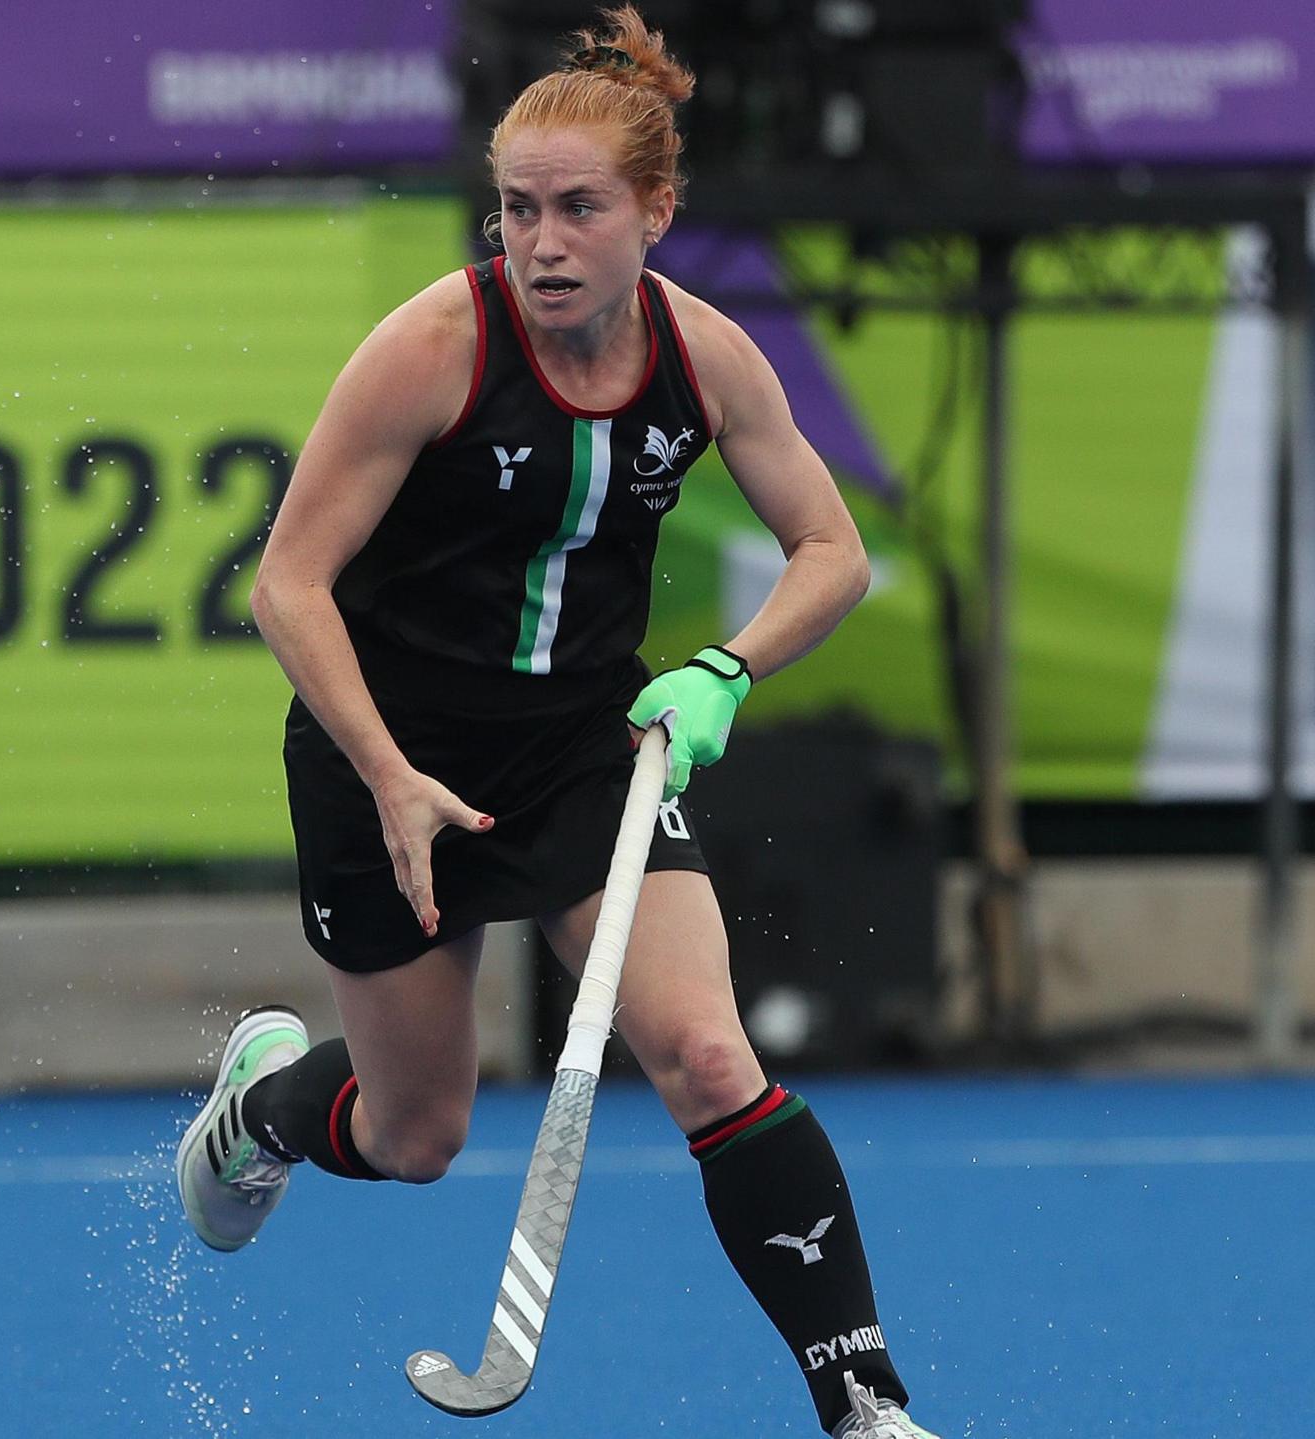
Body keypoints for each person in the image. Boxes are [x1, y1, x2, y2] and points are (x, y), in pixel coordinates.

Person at [175, 9, 938, 1437]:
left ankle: (865, 1406)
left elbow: (832, 553)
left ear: (656, 209)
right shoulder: (430, 351)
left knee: (709, 1056)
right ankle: (266, 1109)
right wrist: (391, 776)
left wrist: (725, 670)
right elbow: (288, 587)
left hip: (590, 754)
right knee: (418, 1137)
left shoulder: (704, 358)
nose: (541, 242)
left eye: (579, 208)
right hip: (386, 762)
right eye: (517, 208)